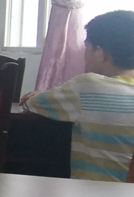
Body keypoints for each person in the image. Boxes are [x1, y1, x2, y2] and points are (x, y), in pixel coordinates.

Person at [21, 10, 134, 182]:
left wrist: (38, 95)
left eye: (86, 47)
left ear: (100, 53)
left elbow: (31, 102)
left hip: (92, 196)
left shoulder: (88, 86)